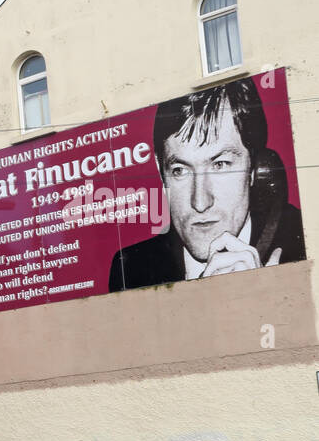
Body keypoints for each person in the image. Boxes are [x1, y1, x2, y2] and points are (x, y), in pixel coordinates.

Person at [108, 78, 306, 292]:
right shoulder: (131, 269)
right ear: (160, 170)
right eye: (180, 170)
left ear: (254, 168)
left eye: (220, 164)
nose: (200, 203)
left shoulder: (305, 241)